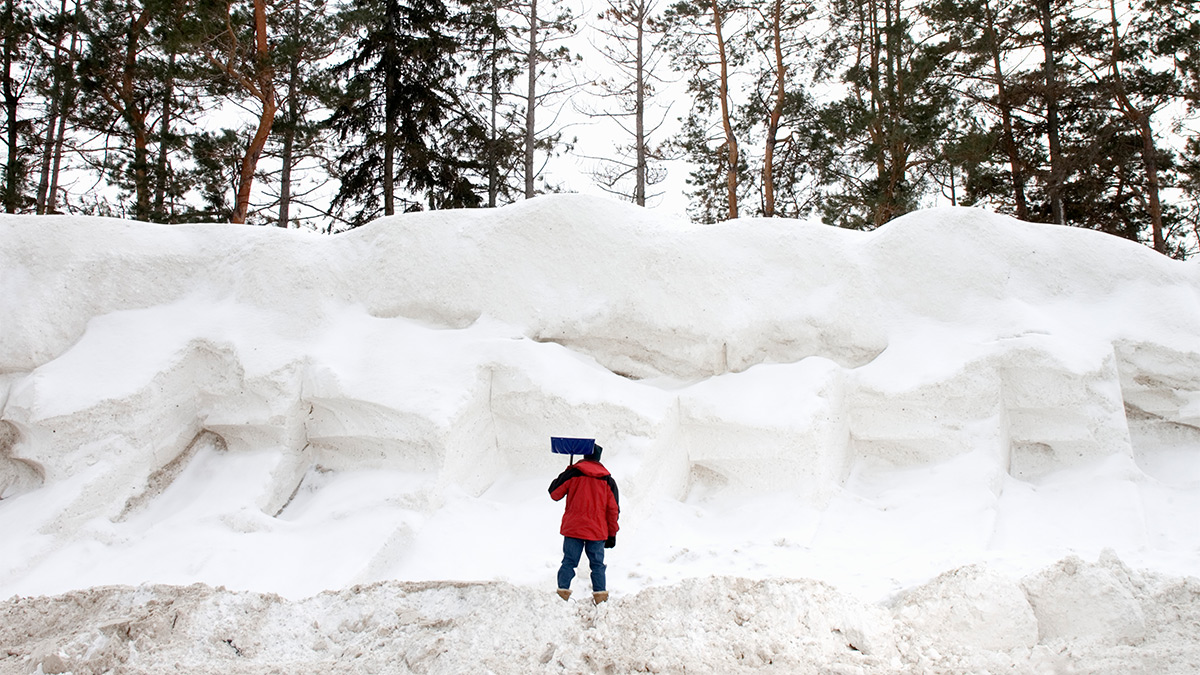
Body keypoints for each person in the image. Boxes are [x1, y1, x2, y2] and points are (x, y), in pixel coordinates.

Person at [548, 443, 619, 604]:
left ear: (585, 456)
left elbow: (554, 493)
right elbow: (613, 510)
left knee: (569, 562)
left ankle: (561, 596)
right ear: (599, 458)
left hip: (574, 528)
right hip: (597, 530)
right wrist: (612, 533)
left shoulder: (574, 474)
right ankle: (600, 599)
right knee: (597, 565)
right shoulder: (608, 480)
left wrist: (567, 473)